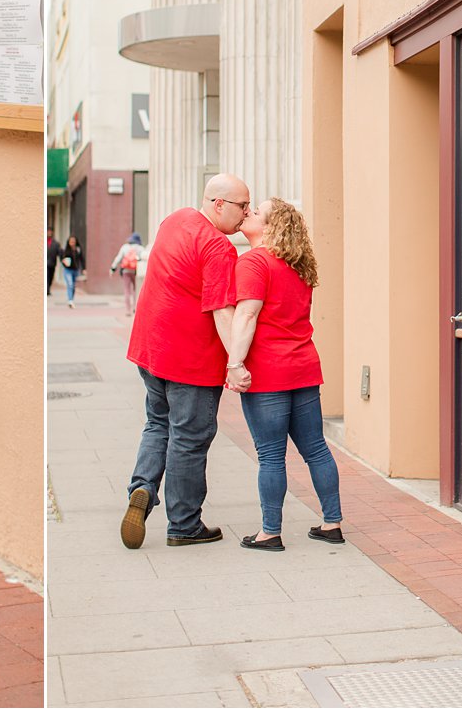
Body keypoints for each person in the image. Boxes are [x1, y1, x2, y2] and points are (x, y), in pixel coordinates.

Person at [120, 175, 248, 549]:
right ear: (219, 204)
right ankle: (184, 524)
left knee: (158, 423)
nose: (247, 213)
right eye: (242, 205)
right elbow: (223, 312)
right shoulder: (218, 248)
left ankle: (142, 488)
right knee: (189, 439)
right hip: (189, 361)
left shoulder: (175, 220)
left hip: (149, 348)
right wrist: (235, 364)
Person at [224, 199, 343, 550]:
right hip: (304, 367)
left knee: (271, 455)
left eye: (256, 212)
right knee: (317, 449)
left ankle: (270, 532)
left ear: (271, 226)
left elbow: (246, 317)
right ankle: (332, 523)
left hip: (268, 372)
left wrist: (234, 364)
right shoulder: (299, 266)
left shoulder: (253, 262)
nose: (248, 213)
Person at [110, 232, 145, 316]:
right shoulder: (140, 248)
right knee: (135, 290)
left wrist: (113, 268)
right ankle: (135, 308)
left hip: (126, 271)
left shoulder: (124, 247)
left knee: (127, 290)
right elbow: (144, 257)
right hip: (136, 271)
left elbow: (118, 258)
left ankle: (128, 310)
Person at [60, 236, 85, 307]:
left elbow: (82, 259)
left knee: (73, 286)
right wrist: (64, 261)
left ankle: (71, 299)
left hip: (75, 270)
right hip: (67, 270)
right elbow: (62, 258)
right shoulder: (66, 250)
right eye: (71, 242)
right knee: (70, 284)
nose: (72, 243)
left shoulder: (78, 249)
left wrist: (84, 268)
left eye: (73, 242)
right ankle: (70, 300)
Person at [47, 230, 61, 296]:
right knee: (46, 276)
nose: (49, 233)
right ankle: (47, 290)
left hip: (52, 263)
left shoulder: (56, 243)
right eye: (48, 232)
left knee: (50, 277)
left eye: (50, 232)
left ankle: (48, 288)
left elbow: (60, 253)